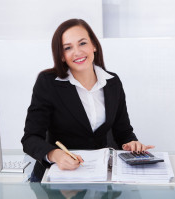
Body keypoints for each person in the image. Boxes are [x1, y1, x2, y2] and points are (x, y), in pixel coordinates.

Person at [21, 18, 154, 182]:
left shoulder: (112, 83)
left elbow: (123, 132)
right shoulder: (48, 82)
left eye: (82, 43)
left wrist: (132, 143)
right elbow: (30, 138)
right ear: (62, 56)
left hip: (100, 175)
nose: (77, 52)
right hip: (58, 177)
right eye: (68, 48)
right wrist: (54, 154)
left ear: (94, 46)